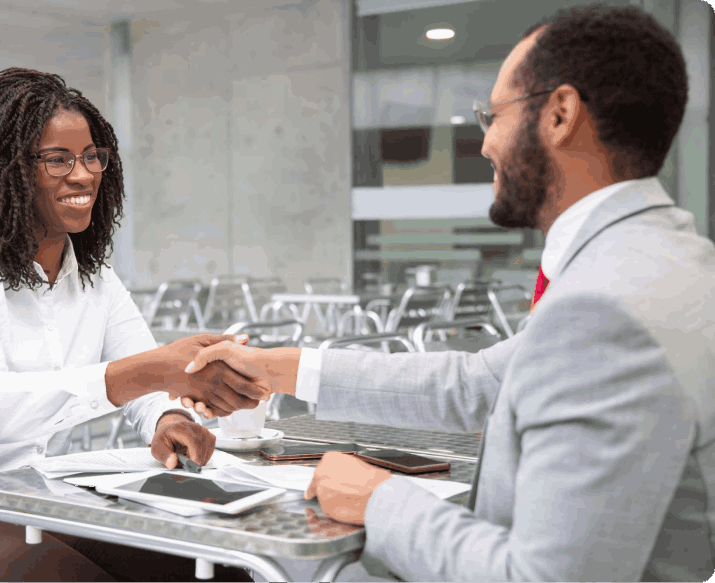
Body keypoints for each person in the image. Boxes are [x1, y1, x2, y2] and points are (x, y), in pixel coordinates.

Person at [180, 5, 715, 581]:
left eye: (493, 115)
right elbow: (478, 383)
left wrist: (378, 498)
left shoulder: (602, 310)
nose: (483, 143)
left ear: (560, 114)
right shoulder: (675, 266)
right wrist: (276, 368)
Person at [0, 68, 263, 582]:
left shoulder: (94, 278)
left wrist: (168, 421)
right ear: (3, 169)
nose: (83, 175)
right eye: (57, 159)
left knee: (213, 568)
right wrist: (149, 371)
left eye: (91, 156)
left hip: (39, 500)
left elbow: (149, 389)